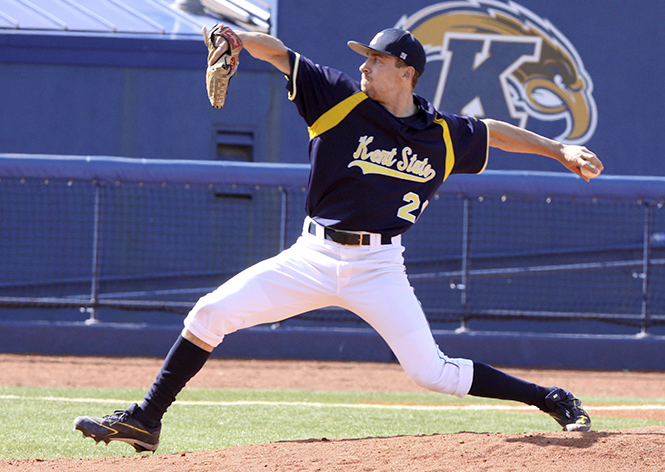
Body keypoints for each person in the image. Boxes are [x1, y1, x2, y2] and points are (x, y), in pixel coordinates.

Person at [74, 27, 602, 453]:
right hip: (313, 256)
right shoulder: (339, 99)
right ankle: (146, 420)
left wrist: (561, 151)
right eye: (364, 58)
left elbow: (494, 130)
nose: (365, 65)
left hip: (379, 267)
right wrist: (236, 38)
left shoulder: (442, 134)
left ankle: (550, 398)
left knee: (432, 372)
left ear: (406, 72)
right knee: (209, 314)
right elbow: (280, 52)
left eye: (376, 59)